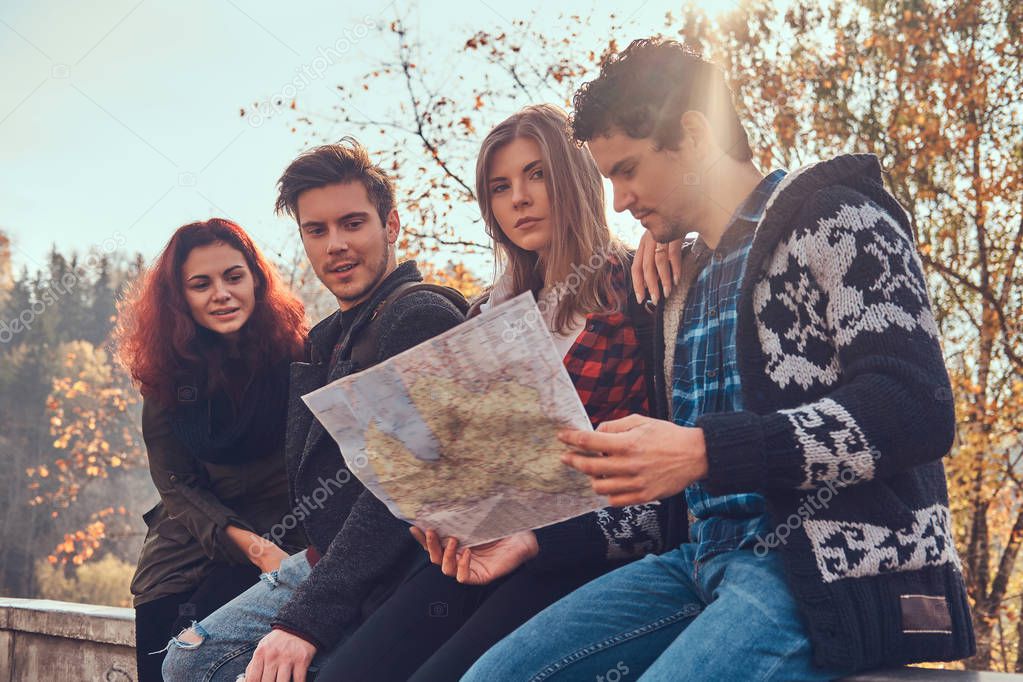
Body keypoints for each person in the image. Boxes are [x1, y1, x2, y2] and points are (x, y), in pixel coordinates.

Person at [466, 38, 974, 681]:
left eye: (627, 169)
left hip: (826, 570)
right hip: (697, 565)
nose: (618, 200)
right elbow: (677, 498)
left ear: (695, 132)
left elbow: (915, 408)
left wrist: (705, 450)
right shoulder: (679, 282)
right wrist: (538, 538)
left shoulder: (839, 217)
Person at [314, 103, 681, 682]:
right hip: (480, 546)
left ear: (576, 177)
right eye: (501, 186)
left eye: (538, 174)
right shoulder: (486, 313)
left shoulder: (637, 288)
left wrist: (667, 242)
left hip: (586, 554)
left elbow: (673, 458)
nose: (520, 198)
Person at [161, 138, 467, 682]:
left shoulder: (417, 315)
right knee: (189, 658)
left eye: (353, 224)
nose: (336, 246)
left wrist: (308, 622)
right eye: (316, 230)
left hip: (400, 571)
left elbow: (401, 491)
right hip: (323, 560)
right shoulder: (329, 337)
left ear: (391, 225)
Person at [117, 218, 308, 681]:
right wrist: (258, 551)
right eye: (201, 284)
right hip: (189, 553)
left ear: (256, 281)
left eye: (233, 276)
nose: (221, 293)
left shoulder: (299, 354)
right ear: (180, 298)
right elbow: (176, 485)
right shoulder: (165, 374)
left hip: (285, 543)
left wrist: (278, 555)